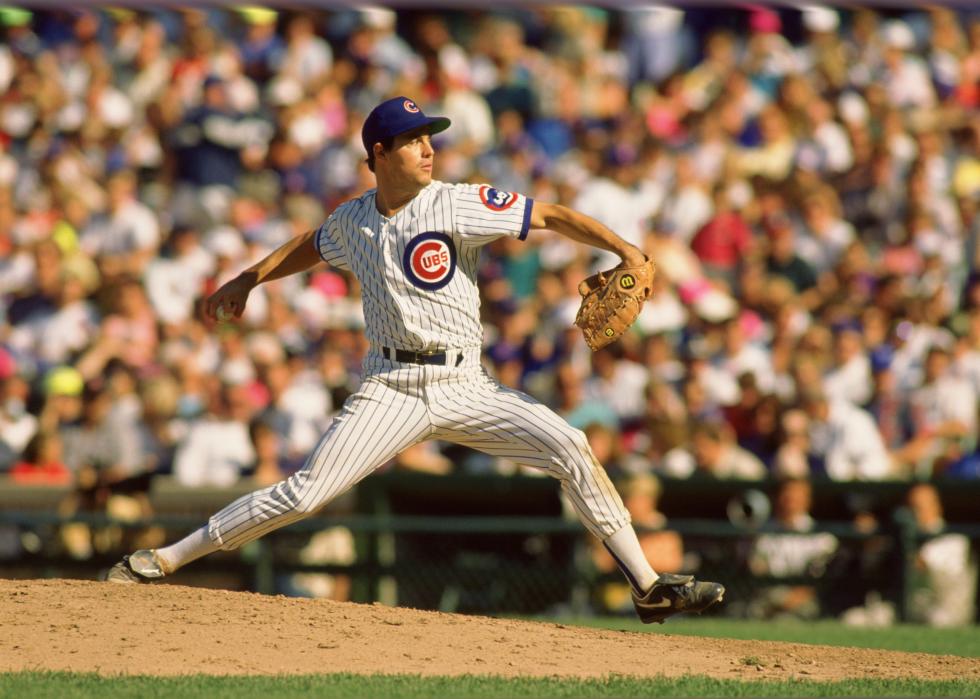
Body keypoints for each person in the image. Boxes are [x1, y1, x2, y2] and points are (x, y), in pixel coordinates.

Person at [106, 95, 724, 624]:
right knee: (304, 495)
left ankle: (647, 587)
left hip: (465, 382)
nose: (427, 148)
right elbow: (310, 245)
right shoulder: (353, 219)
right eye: (410, 140)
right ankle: (165, 560)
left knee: (572, 446)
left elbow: (554, 215)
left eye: (429, 136)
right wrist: (249, 277)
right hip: (391, 386)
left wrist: (625, 249)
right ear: (378, 155)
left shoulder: (457, 202)